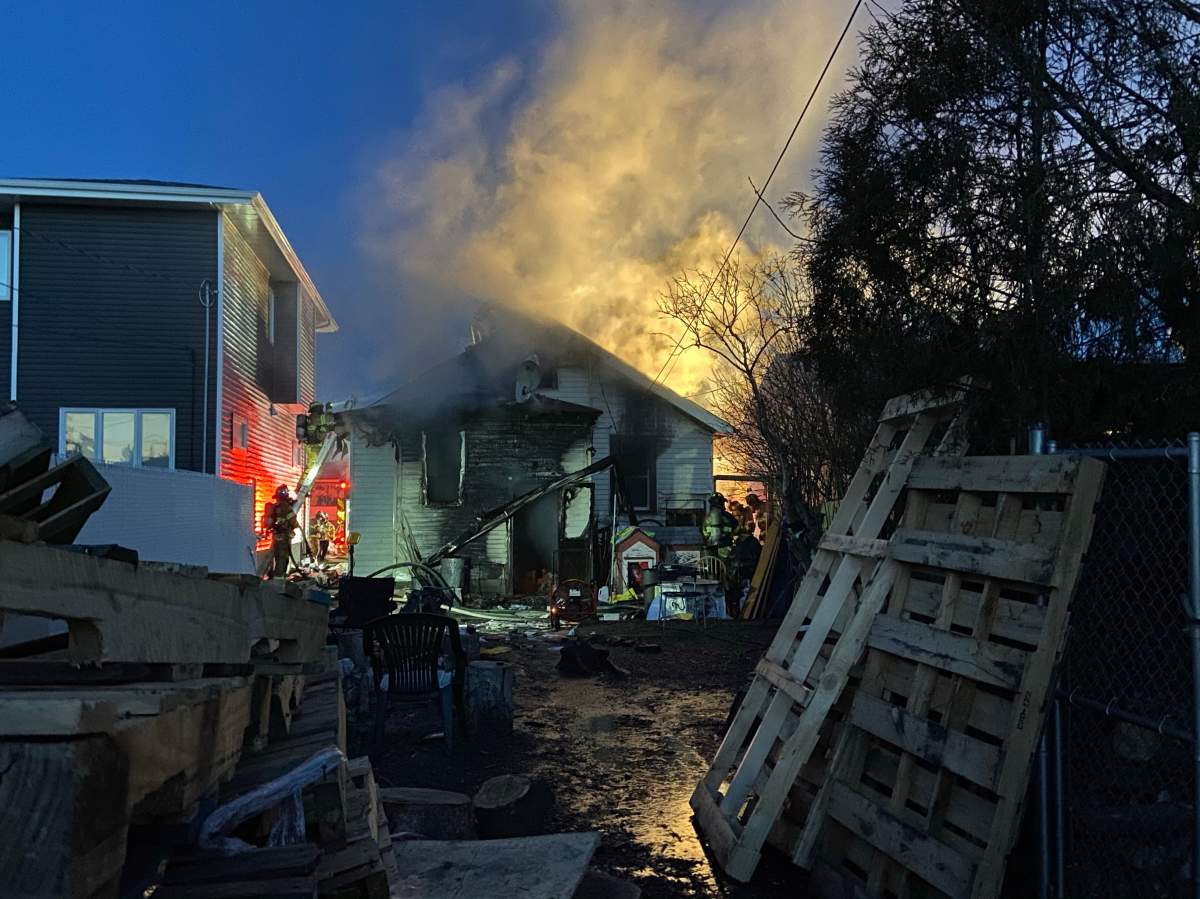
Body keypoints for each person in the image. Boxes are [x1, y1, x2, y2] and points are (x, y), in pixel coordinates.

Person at [263, 485, 298, 579]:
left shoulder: (275, 507)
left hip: (276, 536)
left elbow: (270, 523)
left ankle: (271, 575)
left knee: (276, 557)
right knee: (283, 558)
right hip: (284, 537)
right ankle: (279, 579)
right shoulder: (286, 507)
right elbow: (293, 521)